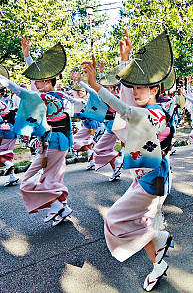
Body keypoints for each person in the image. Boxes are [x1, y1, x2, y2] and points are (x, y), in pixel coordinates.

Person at [82, 30, 174, 292]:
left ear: (156, 88)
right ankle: (158, 263)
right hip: (146, 179)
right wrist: (125, 61)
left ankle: (160, 238)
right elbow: (125, 103)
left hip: (152, 181)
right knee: (138, 223)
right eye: (134, 86)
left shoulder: (156, 114)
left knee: (115, 220)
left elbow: (125, 109)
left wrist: (97, 86)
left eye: (141, 86)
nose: (135, 91)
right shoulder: (144, 110)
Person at [0, 38, 74, 226]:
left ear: (47, 82)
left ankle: (58, 206)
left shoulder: (46, 97)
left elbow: (19, 91)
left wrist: (2, 78)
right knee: (52, 177)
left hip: (51, 145)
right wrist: (27, 56)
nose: (34, 84)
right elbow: (35, 81)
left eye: (38, 82)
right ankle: (60, 207)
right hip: (58, 143)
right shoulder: (58, 95)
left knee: (26, 182)